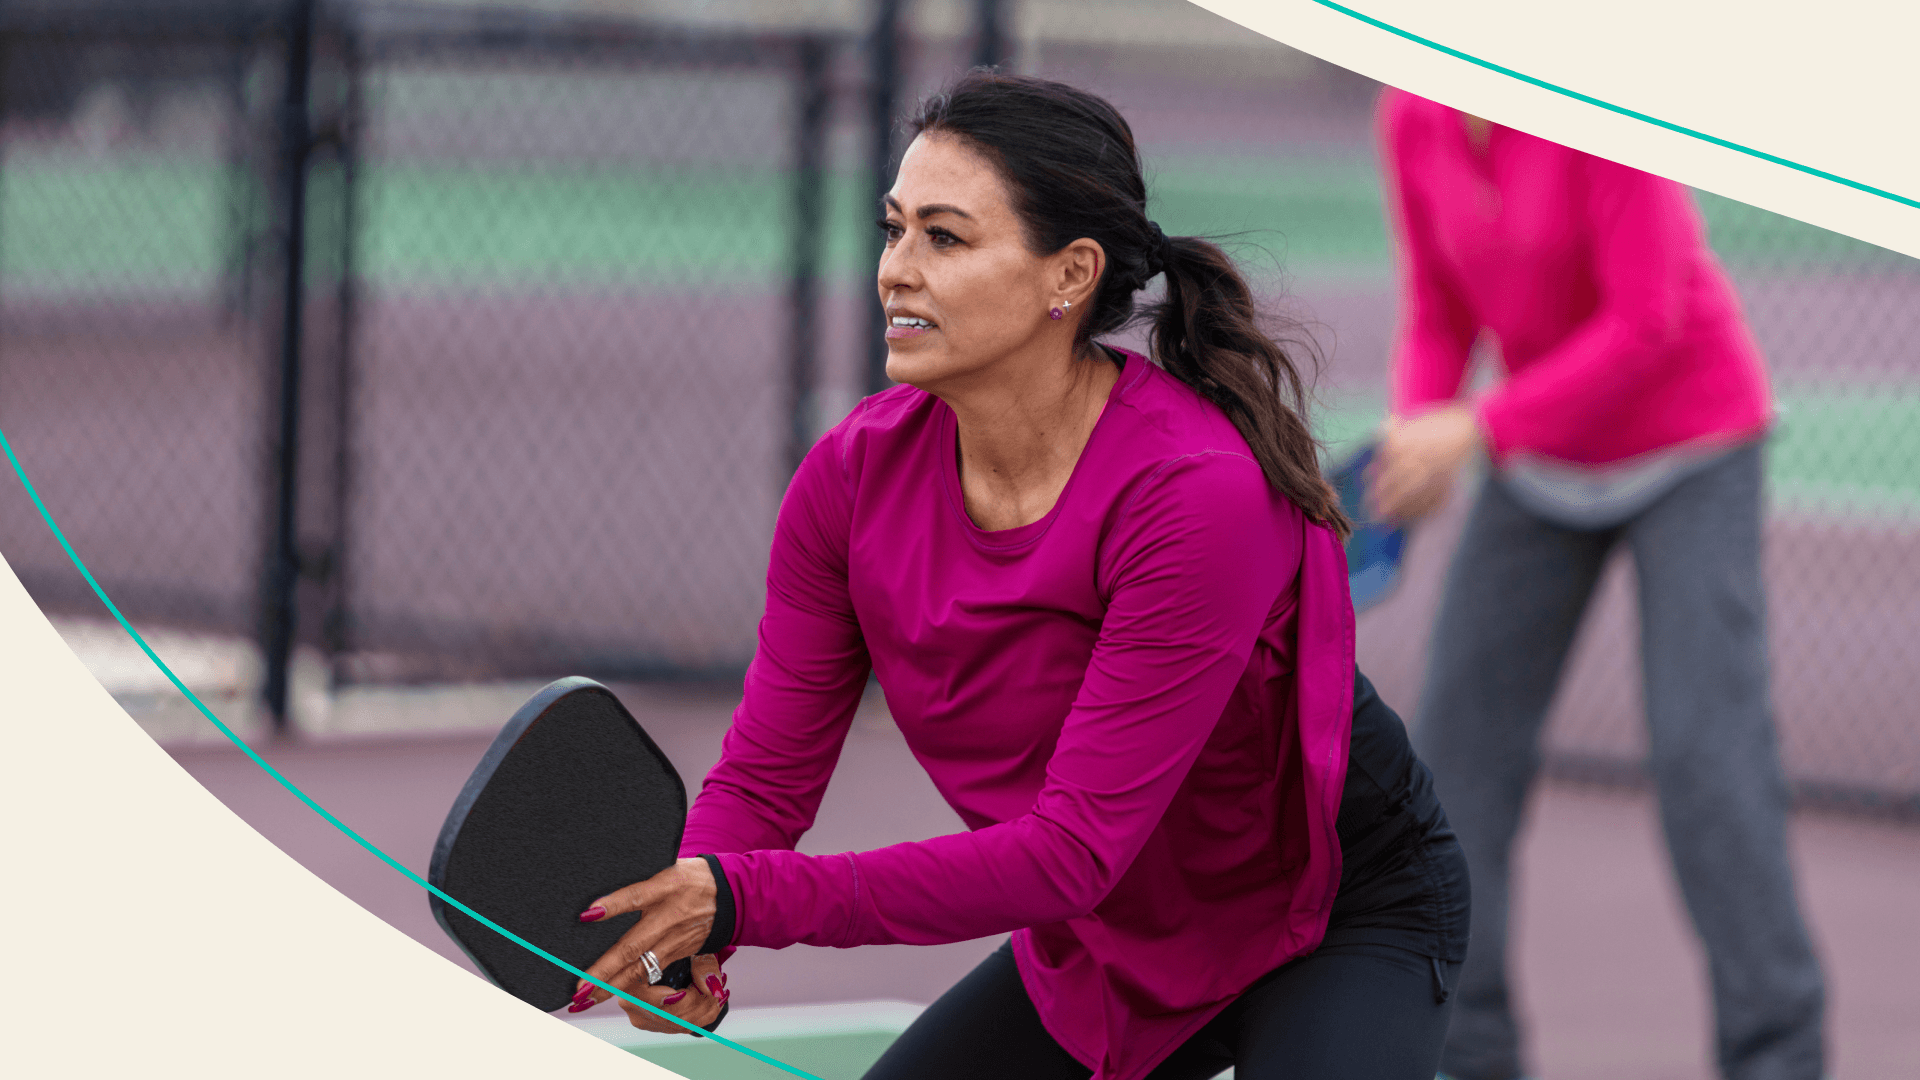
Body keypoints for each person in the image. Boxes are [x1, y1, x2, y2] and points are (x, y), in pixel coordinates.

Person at [565, 73, 1468, 1080]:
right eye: (894, 230)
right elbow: (767, 777)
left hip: (1333, 912)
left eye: (945, 239)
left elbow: (1070, 852)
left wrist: (741, 899)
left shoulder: (1192, 495)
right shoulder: (848, 482)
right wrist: (687, 935)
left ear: (1068, 275)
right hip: (1107, 928)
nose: (896, 271)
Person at [1368, 89, 1826, 1080]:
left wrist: (1477, 429)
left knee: (1707, 763)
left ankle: (1779, 1057)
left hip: (1690, 444)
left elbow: (1648, 322)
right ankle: (1468, 1054)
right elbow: (1439, 309)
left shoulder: (1594, 110)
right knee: (1451, 763)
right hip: (1540, 458)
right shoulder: (1410, 115)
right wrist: (1418, 428)